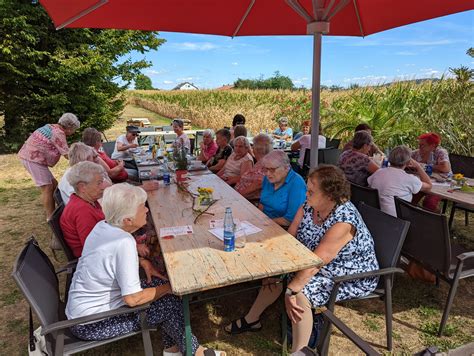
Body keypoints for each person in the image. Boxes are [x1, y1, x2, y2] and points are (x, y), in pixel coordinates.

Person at [225, 166, 379, 352]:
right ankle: (252, 319)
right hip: (313, 261)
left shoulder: (343, 221)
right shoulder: (309, 205)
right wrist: (277, 269)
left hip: (348, 272)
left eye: (311, 191)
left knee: (300, 293)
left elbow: (318, 262)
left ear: (330, 196)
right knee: (277, 276)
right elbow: (290, 240)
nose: (306, 194)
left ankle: (300, 350)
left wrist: (292, 289)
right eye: (307, 189)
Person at [65, 183, 225, 356]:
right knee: (170, 301)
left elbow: (107, 258)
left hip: (82, 312)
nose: (147, 210)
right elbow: (133, 299)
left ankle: (172, 350)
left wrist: (142, 261)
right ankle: (195, 352)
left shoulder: (103, 226)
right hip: (92, 323)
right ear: (128, 220)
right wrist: (172, 288)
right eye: (142, 207)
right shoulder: (123, 242)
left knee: (162, 286)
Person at [18, 113, 80, 218]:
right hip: (33, 159)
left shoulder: (51, 126)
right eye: (74, 129)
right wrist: (82, 159)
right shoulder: (58, 133)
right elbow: (67, 154)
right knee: (47, 187)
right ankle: (51, 217)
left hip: (30, 157)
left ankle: (63, 209)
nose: (73, 132)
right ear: (69, 127)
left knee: (54, 185)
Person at [59, 161, 110, 258]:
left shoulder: (87, 200)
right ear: (82, 187)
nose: (104, 186)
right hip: (95, 259)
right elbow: (94, 248)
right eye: (99, 183)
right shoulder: (83, 211)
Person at [368, 146, 432, 216]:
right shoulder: (409, 179)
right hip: (398, 219)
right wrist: (418, 166)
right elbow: (429, 186)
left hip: (375, 214)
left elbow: (370, 182)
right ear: (408, 162)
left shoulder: (378, 172)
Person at [259, 150, 306, 227]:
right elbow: (262, 203)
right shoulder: (268, 178)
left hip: (282, 228)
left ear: (286, 168)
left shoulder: (297, 183)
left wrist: (264, 222)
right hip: (263, 222)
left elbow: (290, 220)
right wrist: (257, 218)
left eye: (272, 169)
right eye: (266, 169)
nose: (267, 174)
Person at [411, 132, 451, 212]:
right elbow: (404, 159)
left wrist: (424, 166)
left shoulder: (440, 152)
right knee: (410, 198)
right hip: (424, 181)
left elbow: (446, 168)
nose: (419, 147)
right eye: (419, 144)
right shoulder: (417, 152)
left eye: (422, 145)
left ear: (432, 146)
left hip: (442, 183)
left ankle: (436, 220)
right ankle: (411, 218)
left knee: (429, 203)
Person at [235, 134, 273, 201]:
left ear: (255, 149)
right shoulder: (261, 162)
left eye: (253, 146)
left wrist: (237, 195)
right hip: (241, 196)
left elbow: (259, 183)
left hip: (248, 202)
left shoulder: (265, 164)